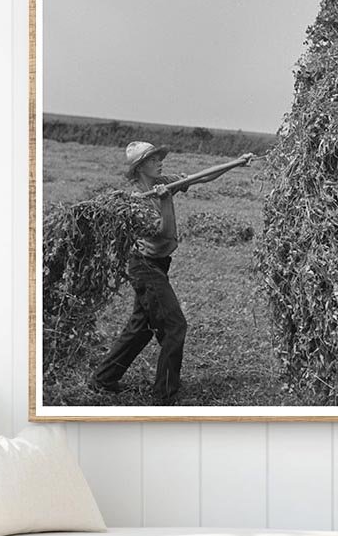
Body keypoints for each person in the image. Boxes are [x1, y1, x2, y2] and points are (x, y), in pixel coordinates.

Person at [90, 141, 253, 404]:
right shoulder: (135, 200)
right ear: (141, 166)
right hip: (144, 266)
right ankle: (164, 397)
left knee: (141, 328)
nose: (160, 162)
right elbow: (162, 232)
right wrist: (165, 200)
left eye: (158, 158)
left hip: (159, 264)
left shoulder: (164, 181)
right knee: (175, 326)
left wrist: (236, 162)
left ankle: (103, 379)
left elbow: (203, 177)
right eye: (154, 159)